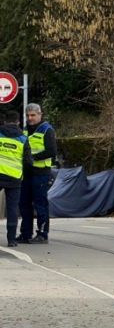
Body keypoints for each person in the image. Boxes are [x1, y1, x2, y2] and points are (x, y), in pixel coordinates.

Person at [17, 103, 57, 244]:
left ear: (40, 115)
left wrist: (32, 158)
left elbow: (52, 151)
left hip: (41, 173)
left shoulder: (47, 130)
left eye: (33, 115)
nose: (30, 118)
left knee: (40, 204)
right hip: (26, 173)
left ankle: (42, 234)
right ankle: (25, 233)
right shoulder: (25, 130)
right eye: (28, 115)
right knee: (24, 204)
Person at [0, 111, 32, 248]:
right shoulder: (23, 139)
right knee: (12, 208)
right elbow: (28, 162)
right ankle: (11, 240)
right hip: (14, 178)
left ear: (4, 121)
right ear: (18, 122)